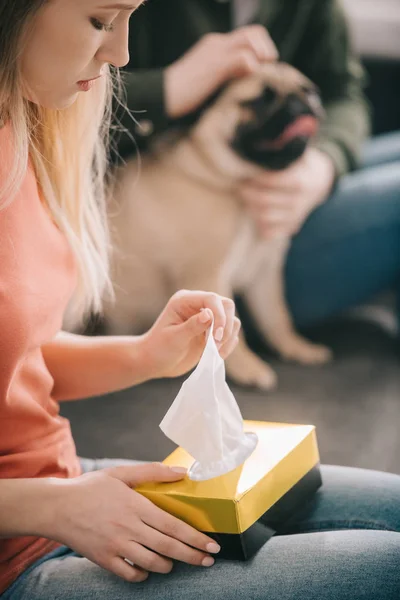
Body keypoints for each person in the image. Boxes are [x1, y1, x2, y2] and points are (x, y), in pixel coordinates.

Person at [0, 2, 399, 600]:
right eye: (100, 21)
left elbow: (19, 363)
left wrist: (147, 355)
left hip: (64, 481)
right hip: (24, 542)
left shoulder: (23, 136)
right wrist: (49, 508)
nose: (123, 56)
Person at [116, 0, 400, 332]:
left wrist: (326, 164)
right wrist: (167, 88)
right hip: (233, 266)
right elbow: (57, 106)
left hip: (284, 200)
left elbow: (343, 93)